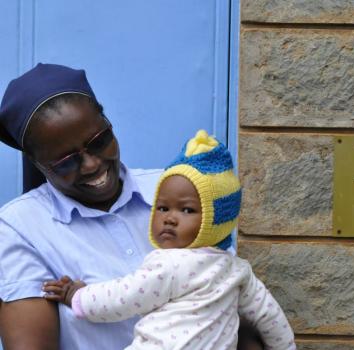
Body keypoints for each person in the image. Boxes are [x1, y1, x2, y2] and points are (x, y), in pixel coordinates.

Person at [0, 64, 267, 350]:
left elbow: (229, 298)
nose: (91, 164)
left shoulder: (174, 191)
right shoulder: (21, 227)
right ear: (38, 163)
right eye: (66, 161)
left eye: (99, 141)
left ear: (108, 123)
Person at [43, 130, 295, 349]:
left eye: (186, 210)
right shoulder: (238, 270)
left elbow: (123, 297)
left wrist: (77, 296)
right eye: (163, 208)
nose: (170, 219)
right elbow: (271, 319)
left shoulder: (171, 265)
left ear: (215, 221)